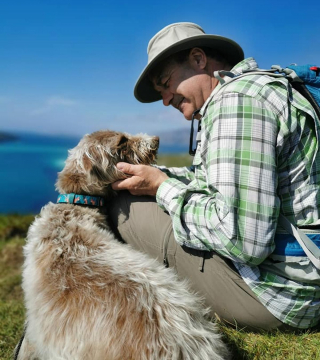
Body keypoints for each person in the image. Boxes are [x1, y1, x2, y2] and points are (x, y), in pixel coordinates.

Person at [109, 22, 320, 331]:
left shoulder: (236, 104)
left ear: (198, 59)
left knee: (122, 208)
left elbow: (245, 241)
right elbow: (218, 179)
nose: (166, 99)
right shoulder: (262, 89)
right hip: (308, 277)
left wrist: (162, 187)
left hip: (281, 295)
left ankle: (125, 316)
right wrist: (158, 176)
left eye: (166, 83)